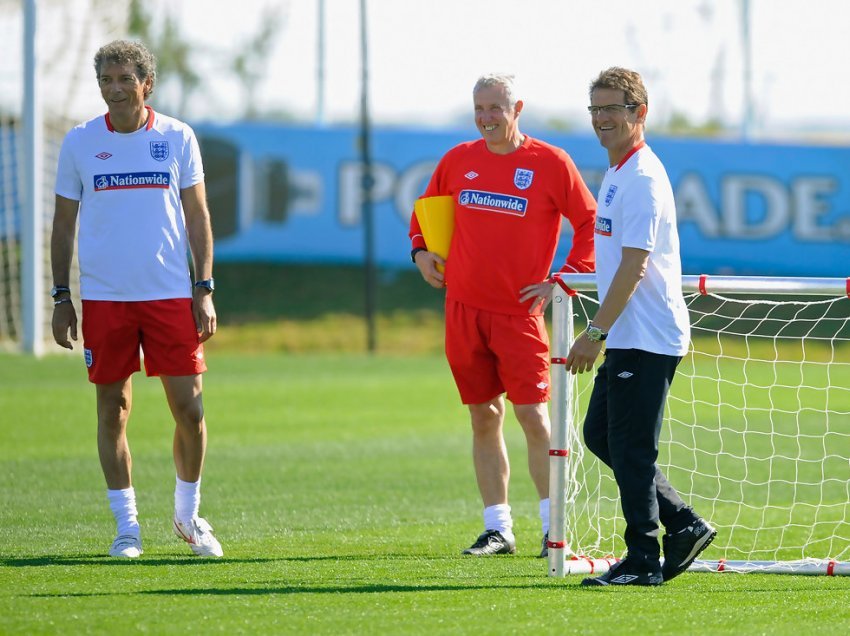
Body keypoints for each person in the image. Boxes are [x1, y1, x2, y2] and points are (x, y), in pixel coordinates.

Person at [409, 73, 596, 557]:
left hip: (520, 315)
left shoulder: (551, 163)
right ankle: (498, 529)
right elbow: (425, 213)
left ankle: (554, 528)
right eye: (480, 108)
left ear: (518, 109)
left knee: (534, 418)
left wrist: (566, 277)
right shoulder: (458, 160)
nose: (487, 117)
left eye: (496, 107)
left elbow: (591, 222)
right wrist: (421, 251)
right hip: (463, 310)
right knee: (482, 416)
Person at [50, 40, 222, 559]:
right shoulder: (80, 143)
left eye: (125, 79)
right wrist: (62, 296)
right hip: (104, 300)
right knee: (112, 411)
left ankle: (188, 517)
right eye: (106, 80)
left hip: (171, 296)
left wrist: (204, 287)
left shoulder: (177, 136)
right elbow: (62, 226)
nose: (115, 89)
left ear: (147, 83)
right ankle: (127, 528)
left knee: (189, 412)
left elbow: (198, 217)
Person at [566, 67, 716, 586]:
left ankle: (643, 560)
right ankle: (683, 522)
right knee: (600, 435)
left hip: (645, 335)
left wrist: (594, 332)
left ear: (639, 114)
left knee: (631, 448)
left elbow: (634, 265)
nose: (603, 118)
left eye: (614, 109)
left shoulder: (645, 178)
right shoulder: (617, 172)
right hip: (629, 335)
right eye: (596, 109)